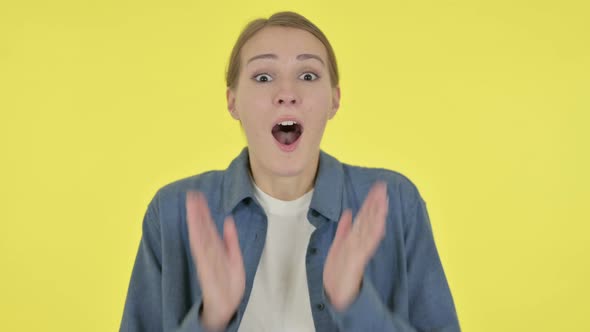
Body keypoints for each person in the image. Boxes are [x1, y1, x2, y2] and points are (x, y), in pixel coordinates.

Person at [120, 11, 460, 332]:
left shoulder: (394, 202)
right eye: (263, 76)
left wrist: (356, 304)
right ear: (232, 101)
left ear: (334, 100)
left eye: (308, 75)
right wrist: (210, 320)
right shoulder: (172, 212)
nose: (287, 94)